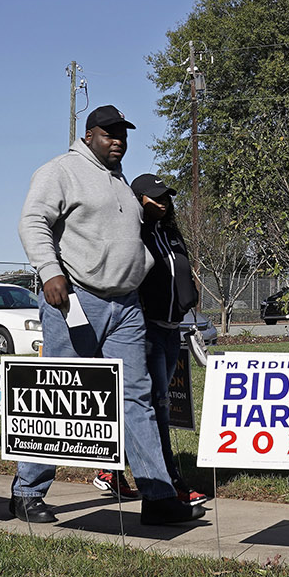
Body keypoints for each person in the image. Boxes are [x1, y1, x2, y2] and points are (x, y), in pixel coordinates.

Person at [11, 104, 204, 527]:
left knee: (136, 399)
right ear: (89, 135)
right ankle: (26, 491)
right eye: (110, 133)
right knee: (57, 398)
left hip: (126, 306)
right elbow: (32, 221)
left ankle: (157, 495)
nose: (119, 140)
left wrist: (145, 212)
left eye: (124, 134)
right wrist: (49, 272)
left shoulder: (119, 184)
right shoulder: (60, 170)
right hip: (75, 300)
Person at [92, 173, 208, 507]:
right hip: (145, 332)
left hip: (173, 329)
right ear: (137, 200)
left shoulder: (169, 232)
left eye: (166, 198)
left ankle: (110, 471)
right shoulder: (134, 233)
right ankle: (169, 484)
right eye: (154, 198)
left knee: (152, 406)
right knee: (154, 406)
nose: (162, 203)